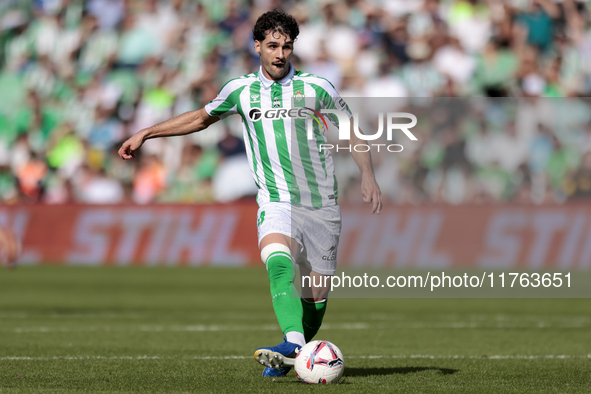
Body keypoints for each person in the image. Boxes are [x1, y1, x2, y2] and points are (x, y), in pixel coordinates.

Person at [118, 9, 382, 377]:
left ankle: (292, 354)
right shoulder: (240, 90)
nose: (280, 54)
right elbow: (199, 118)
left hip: (321, 206)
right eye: (273, 45)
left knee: (316, 298)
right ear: (257, 46)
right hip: (276, 200)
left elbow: (352, 128)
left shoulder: (317, 87)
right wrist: (147, 132)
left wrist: (367, 174)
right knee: (278, 262)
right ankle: (292, 343)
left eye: (286, 46)